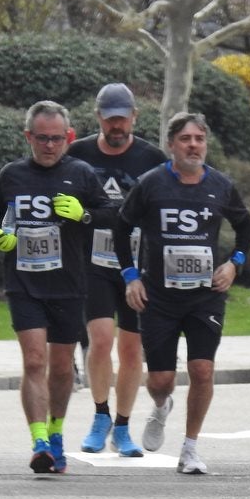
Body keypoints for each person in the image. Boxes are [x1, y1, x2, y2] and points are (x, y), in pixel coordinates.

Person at [113, 112, 250, 474]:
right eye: (186, 139)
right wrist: (131, 276)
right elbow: (121, 227)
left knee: (202, 370)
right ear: (171, 144)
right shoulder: (151, 184)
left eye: (200, 139)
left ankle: (190, 448)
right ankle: (161, 407)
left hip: (205, 295)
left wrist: (233, 264)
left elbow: (245, 227)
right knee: (160, 380)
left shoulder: (220, 185)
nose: (194, 145)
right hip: (158, 296)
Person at [0, 100, 114, 474]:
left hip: (69, 284)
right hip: (23, 282)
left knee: (60, 368)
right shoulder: (12, 174)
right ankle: (39, 439)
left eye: (57, 139)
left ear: (69, 137)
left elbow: (110, 213)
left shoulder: (81, 173)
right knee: (34, 361)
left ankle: (57, 431)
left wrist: (83, 213)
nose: (49, 146)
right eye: (41, 138)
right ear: (29, 136)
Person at [67, 83, 167, 455]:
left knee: (130, 348)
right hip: (92, 261)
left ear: (134, 117)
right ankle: (100, 414)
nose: (116, 127)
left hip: (136, 265)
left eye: (122, 120)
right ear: (98, 119)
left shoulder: (151, 157)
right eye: (110, 120)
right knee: (100, 339)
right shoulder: (78, 154)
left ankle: (123, 426)